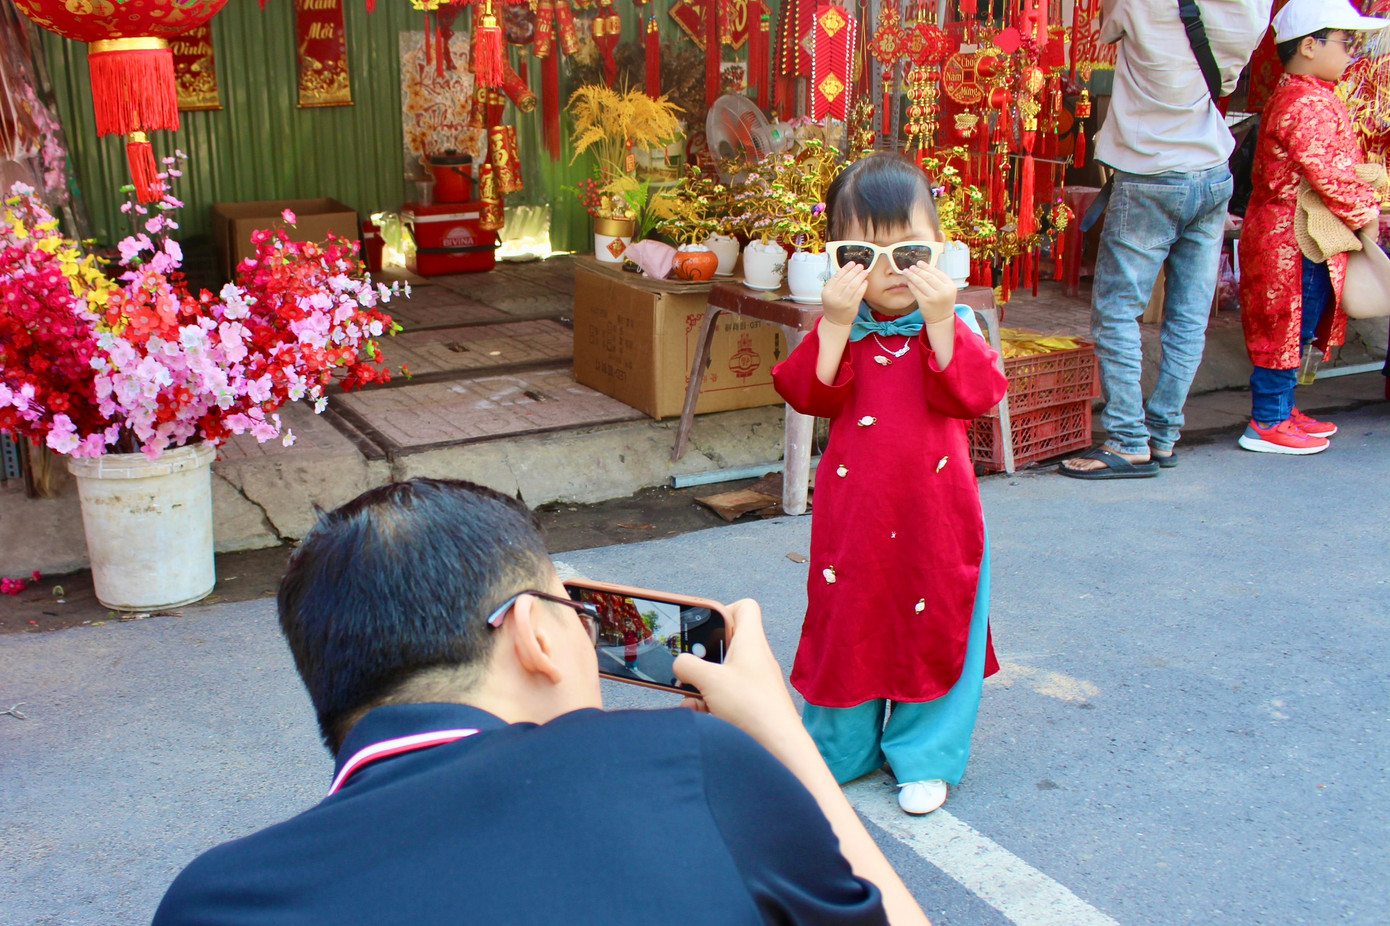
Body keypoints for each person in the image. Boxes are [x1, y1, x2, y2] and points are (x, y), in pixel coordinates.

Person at [151, 478, 929, 926]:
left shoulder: (210, 901)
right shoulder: (692, 765)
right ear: (534, 635)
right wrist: (782, 737)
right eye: (576, 612)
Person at [771, 153, 1009, 816]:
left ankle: (925, 754)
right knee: (848, 621)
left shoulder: (954, 324)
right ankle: (839, 750)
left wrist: (942, 320)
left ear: (940, 246)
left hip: (939, 515)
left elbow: (978, 394)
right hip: (856, 516)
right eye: (863, 255)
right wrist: (835, 322)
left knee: (937, 623)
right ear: (835, 260)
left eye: (910, 251)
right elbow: (807, 393)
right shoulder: (840, 330)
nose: (891, 271)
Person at [1061, 0, 1273, 478]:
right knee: (1188, 317)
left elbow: (1103, 27)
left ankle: (1127, 439)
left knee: (1117, 311)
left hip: (1150, 172)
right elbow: (1227, 79)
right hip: (1211, 169)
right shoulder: (1250, 6)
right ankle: (1162, 435)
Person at [1236, 0, 1387, 454]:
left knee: (1296, 326)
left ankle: (1282, 409)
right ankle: (1267, 420)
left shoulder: (1307, 95)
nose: (1351, 53)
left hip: (1301, 235)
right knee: (1283, 328)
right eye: (1345, 42)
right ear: (1308, 46)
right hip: (1289, 237)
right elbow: (1330, 174)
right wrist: (1368, 211)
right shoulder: (1305, 102)